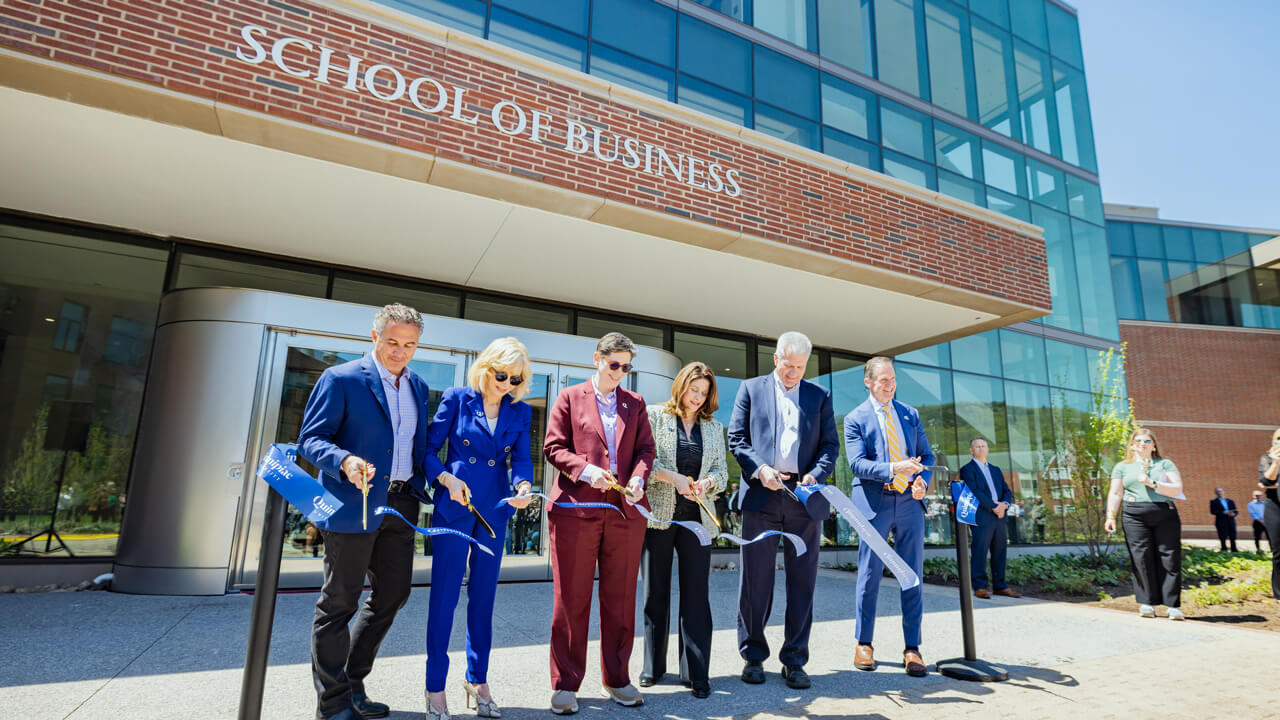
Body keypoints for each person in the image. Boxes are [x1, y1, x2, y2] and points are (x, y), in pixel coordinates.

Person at [297, 303, 432, 720]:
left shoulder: (420, 387)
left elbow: (417, 447)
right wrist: (343, 461)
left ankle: (353, 682)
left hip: (401, 502)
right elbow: (311, 439)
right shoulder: (340, 378)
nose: (400, 352)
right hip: (353, 504)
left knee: (393, 594)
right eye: (392, 342)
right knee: (339, 603)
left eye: (409, 344)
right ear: (375, 337)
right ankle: (332, 704)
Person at [422, 338, 536, 720]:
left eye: (515, 379)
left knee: (483, 599)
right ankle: (435, 687)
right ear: (487, 367)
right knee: (444, 599)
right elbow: (426, 451)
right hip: (455, 507)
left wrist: (523, 487)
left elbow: (521, 459)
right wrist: (445, 479)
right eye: (502, 375)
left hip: (494, 510)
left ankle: (478, 680)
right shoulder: (457, 398)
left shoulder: (519, 412)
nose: (507, 384)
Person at [542, 333, 655, 715]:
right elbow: (553, 447)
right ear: (597, 359)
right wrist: (585, 469)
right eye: (614, 365)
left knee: (621, 598)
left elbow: (645, 450)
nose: (620, 373)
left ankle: (617, 678)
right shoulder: (570, 397)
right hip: (576, 509)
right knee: (571, 599)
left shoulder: (635, 403)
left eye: (627, 367)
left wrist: (640, 476)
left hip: (624, 512)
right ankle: (566, 684)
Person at [727, 331, 838, 690]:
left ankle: (794, 659)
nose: (793, 374)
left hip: (804, 499)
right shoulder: (751, 389)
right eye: (788, 366)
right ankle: (754, 655)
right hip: (762, 495)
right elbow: (737, 438)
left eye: (800, 368)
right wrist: (760, 469)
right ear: (776, 359)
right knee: (756, 581)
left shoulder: (819, 396)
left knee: (802, 582)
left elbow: (829, 446)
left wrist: (815, 476)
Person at [640, 362, 728, 699]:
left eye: (704, 393)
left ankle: (696, 672)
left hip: (696, 521)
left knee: (696, 596)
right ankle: (653, 666)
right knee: (655, 593)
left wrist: (707, 482)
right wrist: (672, 478)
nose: (698, 398)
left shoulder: (713, 427)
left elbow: (721, 474)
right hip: (659, 518)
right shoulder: (654, 416)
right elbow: (644, 462)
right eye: (694, 390)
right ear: (682, 386)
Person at [845, 356, 935, 677]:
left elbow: (927, 454)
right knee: (870, 574)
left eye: (893, 379)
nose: (890, 385)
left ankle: (913, 648)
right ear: (868, 382)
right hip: (875, 503)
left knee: (911, 575)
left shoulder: (909, 414)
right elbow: (858, 464)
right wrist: (895, 468)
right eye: (883, 380)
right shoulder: (855, 419)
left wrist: (923, 479)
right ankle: (864, 642)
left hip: (910, 502)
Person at [1105, 427, 1185, 620]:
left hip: (1164, 512)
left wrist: (1153, 483)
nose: (1142, 444)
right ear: (1132, 445)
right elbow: (1116, 493)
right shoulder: (1122, 467)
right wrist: (1110, 516)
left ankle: (1172, 606)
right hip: (1134, 515)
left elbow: (1177, 489)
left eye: (1147, 441)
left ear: (1154, 445)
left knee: (1170, 557)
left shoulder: (1165, 464)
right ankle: (1147, 603)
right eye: (1138, 441)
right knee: (1141, 558)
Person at [959, 438, 1022, 599]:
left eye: (983, 446)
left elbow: (1006, 491)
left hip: (1000, 516)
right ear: (971, 450)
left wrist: (1004, 505)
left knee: (1000, 552)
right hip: (982, 516)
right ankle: (979, 587)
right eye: (977, 446)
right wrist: (994, 507)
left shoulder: (995, 469)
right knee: (980, 551)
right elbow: (975, 492)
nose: (981, 449)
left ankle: (1000, 586)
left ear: (987, 450)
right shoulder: (967, 469)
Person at [1259, 427, 1280, 599]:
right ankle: (1279, 594)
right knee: (1278, 552)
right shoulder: (1267, 458)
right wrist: (1276, 462)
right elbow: (1266, 481)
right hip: (1275, 508)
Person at [1209, 487, 1239, 552]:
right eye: (1218, 491)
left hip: (1231, 521)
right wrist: (1224, 512)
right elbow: (1212, 511)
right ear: (1216, 493)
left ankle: (1234, 549)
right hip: (1221, 522)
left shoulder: (1230, 501)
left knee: (1233, 536)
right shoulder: (1213, 502)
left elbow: (1236, 510)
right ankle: (1224, 549)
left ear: (1223, 491)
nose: (1220, 493)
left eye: (1221, 491)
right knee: (1222, 536)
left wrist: (1234, 514)